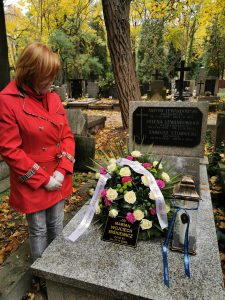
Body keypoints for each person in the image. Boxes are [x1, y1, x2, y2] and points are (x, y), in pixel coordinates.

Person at [0, 42, 75, 263]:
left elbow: (67, 136)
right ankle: (42, 274)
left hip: (58, 175)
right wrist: (43, 179)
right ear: (30, 74)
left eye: (52, 76)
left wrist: (62, 170)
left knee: (57, 223)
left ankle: (58, 268)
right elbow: (9, 149)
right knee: (39, 229)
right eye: (46, 77)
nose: (51, 83)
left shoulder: (51, 97)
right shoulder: (7, 100)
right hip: (32, 179)